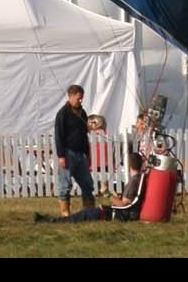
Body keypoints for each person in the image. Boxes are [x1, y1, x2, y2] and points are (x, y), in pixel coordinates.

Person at [34, 151, 145, 224]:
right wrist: (115, 196)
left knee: (81, 215)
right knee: (82, 215)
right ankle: (49, 220)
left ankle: (50, 221)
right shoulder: (137, 179)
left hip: (109, 214)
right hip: (109, 212)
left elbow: (123, 205)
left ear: (129, 165)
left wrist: (107, 193)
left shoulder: (133, 182)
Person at [53, 84, 94, 217]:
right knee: (65, 185)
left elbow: (84, 135)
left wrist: (87, 153)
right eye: (78, 98)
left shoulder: (83, 113)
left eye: (82, 98)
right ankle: (65, 213)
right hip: (68, 153)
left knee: (87, 184)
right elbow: (58, 136)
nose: (81, 101)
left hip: (81, 154)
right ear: (70, 96)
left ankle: (89, 212)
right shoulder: (62, 114)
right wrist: (61, 156)